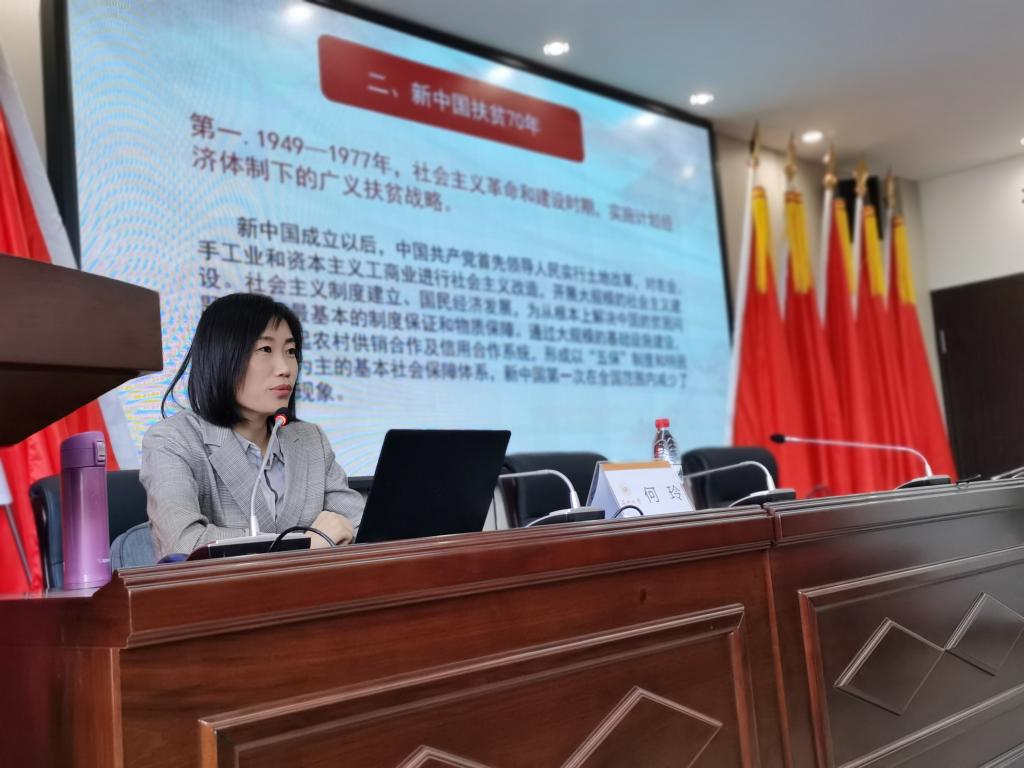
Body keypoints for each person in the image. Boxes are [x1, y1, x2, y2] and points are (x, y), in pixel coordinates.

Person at [140, 293, 363, 559]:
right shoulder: (173, 440)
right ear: (222, 356)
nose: (285, 368)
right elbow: (183, 544)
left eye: (290, 352)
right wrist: (302, 545)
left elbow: (362, 527)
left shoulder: (310, 439)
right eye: (265, 350)